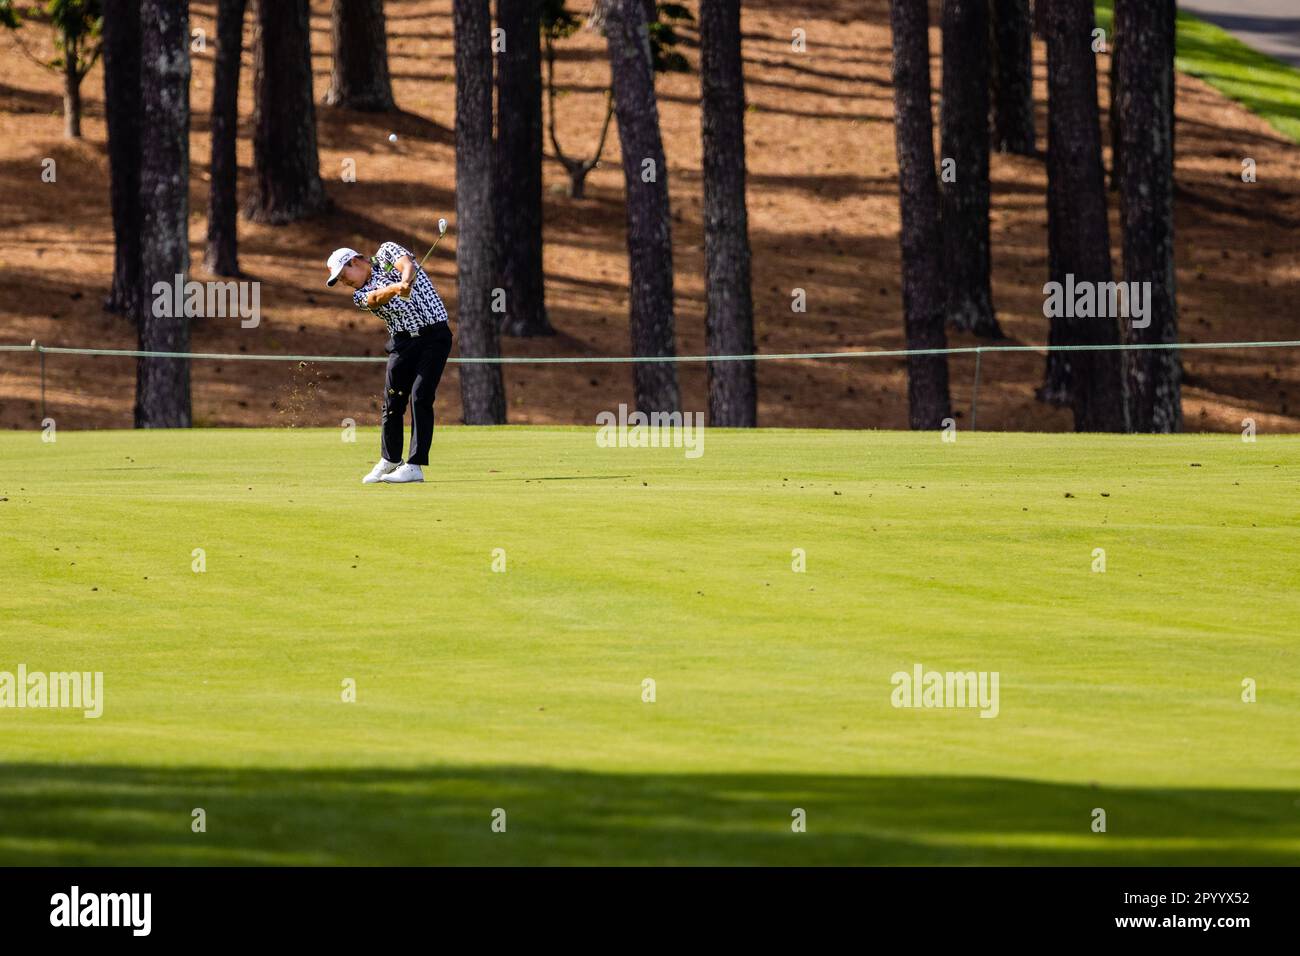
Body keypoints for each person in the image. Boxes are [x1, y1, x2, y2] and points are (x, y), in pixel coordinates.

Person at [325, 242, 453, 484]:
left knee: (420, 396)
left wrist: (406, 279)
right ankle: (391, 459)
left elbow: (406, 264)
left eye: (343, 276)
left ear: (355, 261)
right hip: (402, 343)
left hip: (433, 336)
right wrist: (396, 288)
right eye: (340, 280)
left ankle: (415, 466)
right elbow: (374, 299)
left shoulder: (386, 251)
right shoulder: (359, 295)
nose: (344, 282)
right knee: (392, 403)